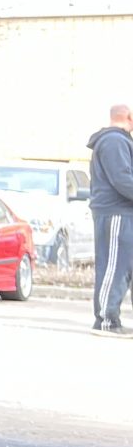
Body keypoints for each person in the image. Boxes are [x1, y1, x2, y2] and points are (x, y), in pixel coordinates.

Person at [86, 105, 133, 336]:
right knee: (114, 268)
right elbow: (123, 179)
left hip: (123, 213)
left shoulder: (119, 141)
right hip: (116, 213)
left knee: (125, 267)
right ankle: (106, 320)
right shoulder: (114, 141)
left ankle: (112, 318)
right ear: (129, 118)